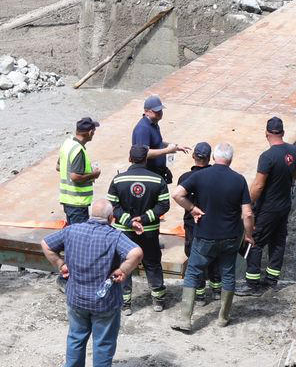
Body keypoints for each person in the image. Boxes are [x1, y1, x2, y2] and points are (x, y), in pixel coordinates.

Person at [41, 198, 143, 367]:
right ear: (111, 218)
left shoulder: (72, 230)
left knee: (76, 338)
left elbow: (46, 244)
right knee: (103, 343)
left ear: (90, 215)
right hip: (104, 301)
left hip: (76, 298)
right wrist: (123, 270)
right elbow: (136, 253)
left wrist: (60, 264)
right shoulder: (114, 236)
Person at [171, 142, 253, 332]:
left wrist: (192, 208)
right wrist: (248, 235)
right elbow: (247, 214)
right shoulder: (239, 180)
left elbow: (176, 194)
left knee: (193, 272)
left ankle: (185, 320)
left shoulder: (199, 176)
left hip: (205, 236)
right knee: (228, 274)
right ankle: (223, 317)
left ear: (214, 157)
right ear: (230, 159)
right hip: (231, 237)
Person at [244, 118, 296, 294]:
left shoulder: (267, 157)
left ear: (266, 133)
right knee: (278, 242)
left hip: (267, 208)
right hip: (284, 206)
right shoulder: (293, 151)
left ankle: (252, 284)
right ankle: (271, 281)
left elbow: (258, 186)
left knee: (256, 242)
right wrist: (294, 176)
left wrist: (248, 205)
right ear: (282, 133)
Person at [108, 144, 171, 306]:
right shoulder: (158, 180)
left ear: (130, 159)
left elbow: (112, 207)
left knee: (124, 264)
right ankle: (158, 300)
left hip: (124, 233)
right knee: (152, 263)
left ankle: (125, 303)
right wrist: (143, 219)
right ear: (145, 160)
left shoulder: (118, 180)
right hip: (149, 232)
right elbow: (164, 205)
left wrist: (130, 222)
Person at [180, 140, 220, 293]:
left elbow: (179, 198)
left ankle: (200, 293)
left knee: (194, 257)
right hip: (212, 223)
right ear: (210, 158)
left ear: (193, 156)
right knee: (214, 256)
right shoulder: (216, 177)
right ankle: (217, 291)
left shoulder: (185, 178)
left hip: (192, 224)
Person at [57, 117, 99, 224]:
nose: (94, 133)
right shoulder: (78, 150)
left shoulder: (67, 144)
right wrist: (93, 174)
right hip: (77, 203)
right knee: (79, 237)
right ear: (90, 132)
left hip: (67, 200)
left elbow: (58, 167)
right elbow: (75, 177)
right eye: (94, 131)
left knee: (72, 234)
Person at [131, 96, 184, 182]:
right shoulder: (143, 129)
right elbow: (144, 153)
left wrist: (175, 147)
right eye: (156, 111)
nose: (160, 113)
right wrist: (167, 150)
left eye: (160, 110)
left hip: (157, 172)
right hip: (148, 176)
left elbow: (157, 142)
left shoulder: (154, 124)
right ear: (146, 111)